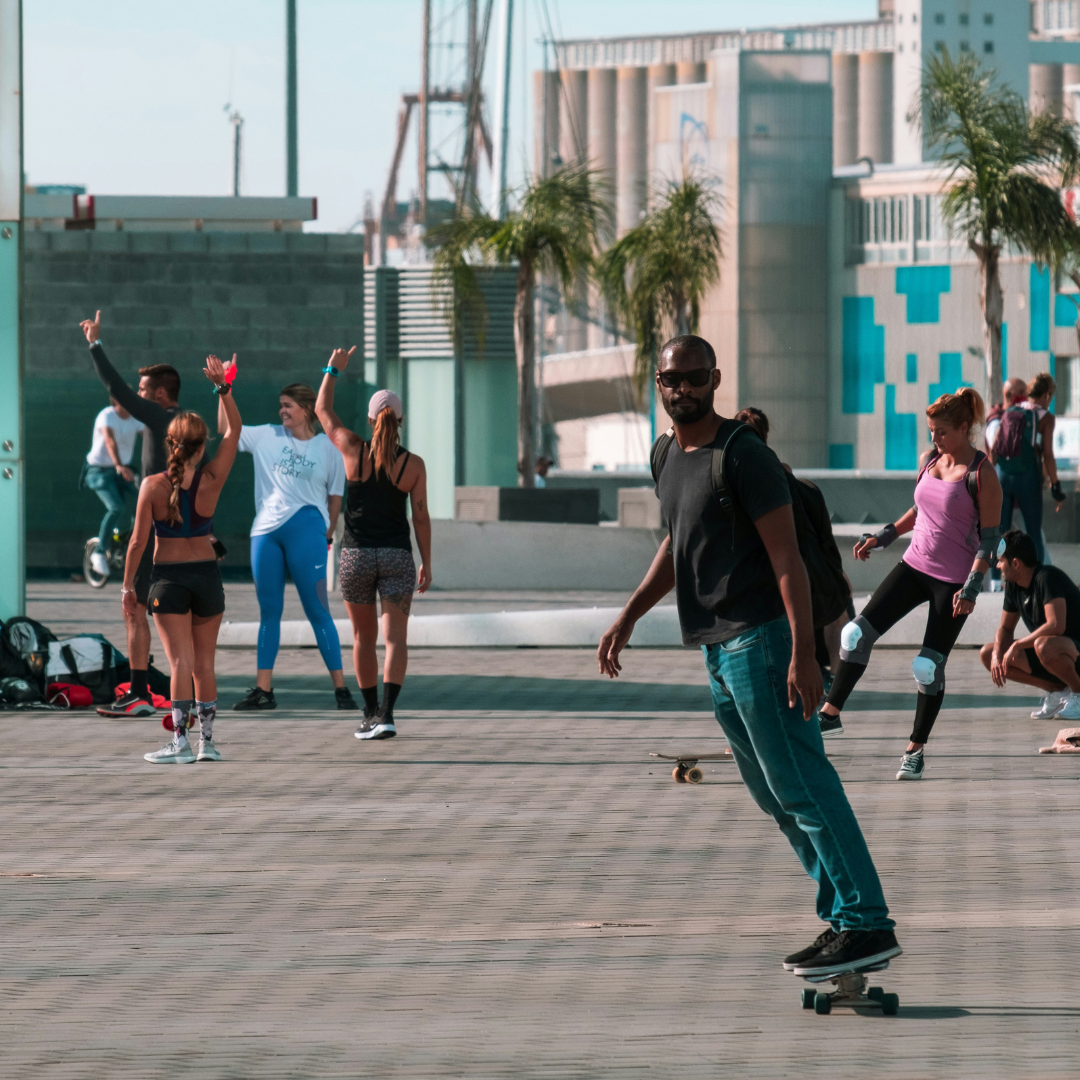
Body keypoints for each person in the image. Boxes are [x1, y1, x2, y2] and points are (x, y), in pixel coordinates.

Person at [598, 335, 900, 978]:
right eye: (671, 379)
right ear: (659, 384)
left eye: (694, 377)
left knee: (803, 785)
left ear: (714, 379)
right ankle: (845, 916)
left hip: (761, 644)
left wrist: (802, 652)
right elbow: (677, 546)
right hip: (716, 649)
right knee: (774, 793)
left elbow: (787, 560)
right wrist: (629, 614)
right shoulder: (667, 457)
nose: (683, 388)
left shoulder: (743, 456)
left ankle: (866, 922)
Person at [817, 388, 1004, 779]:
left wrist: (972, 586)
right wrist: (883, 536)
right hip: (914, 566)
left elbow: (990, 538)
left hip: (953, 582)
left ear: (964, 428)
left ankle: (915, 750)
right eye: (931, 431)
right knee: (854, 635)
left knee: (926, 667)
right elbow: (920, 509)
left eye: (941, 432)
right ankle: (829, 716)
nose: (933, 439)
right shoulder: (930, 461)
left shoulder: (982, 473)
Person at [122, 355, 241, 764]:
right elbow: (235, 431)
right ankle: (207, 742)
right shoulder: (211, 479)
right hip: (208, 577)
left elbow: (138, 542)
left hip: (168, 581)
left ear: (170, 443)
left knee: (179, 663)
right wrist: (222, 388)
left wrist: (126, 587)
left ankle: (181, 744)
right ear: (201, 444)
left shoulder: (152, 487)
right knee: (204, 663)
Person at [316, 348, 433, 740]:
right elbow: (420, 516)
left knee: (363, 639)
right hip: (398, 556)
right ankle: (387, 713)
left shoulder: (352, 447)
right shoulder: (412, 465)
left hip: (356, 557)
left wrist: (334, 369)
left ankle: (369, 714)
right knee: (395, 639)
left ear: (370, 420)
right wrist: (427, 562)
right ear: (401, 421)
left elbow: (321, 411)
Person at [222, 380, 354, 712]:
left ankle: (342, 690)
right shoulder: (266, 435)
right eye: (280, 405)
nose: (282, 411)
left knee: (318, 612)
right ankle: (263, 691)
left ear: (306, 410)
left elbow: (335, 495)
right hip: (265, 533)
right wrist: (223, 389)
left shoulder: (327, 448)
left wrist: (328, 532)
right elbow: (227, 430)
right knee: (270, 613)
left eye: (288, 405)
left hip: (308, 532)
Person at [80, 310, 182, 718]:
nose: (137, 395)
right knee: (167, 618)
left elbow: (114, 387)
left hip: (158, 536)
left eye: (144, 390)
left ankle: (149, 695)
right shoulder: (187, 425)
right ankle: (169, 698)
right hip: (185, 535)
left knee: (138, 611)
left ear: (159, 395)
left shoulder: (159, 419)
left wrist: (94, 343)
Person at [734, 407, 854, 689]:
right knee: (838, 617)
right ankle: (836, 692)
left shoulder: (742, 477)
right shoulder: (790, 478)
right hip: (812, 571)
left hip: (769, 579)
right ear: (766, 435)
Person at [981, 529, 1080, 721]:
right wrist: (996, 656)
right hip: (1054, 654)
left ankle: (1078, 692)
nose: (998, 566)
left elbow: (1055, 626)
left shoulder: (1047, 578)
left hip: (1072, 650)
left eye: (1001, 561)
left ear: (1016, 563)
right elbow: (1006, 628)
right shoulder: (1013, 585)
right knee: (987, 653)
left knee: (1044, 644)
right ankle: (1057, 691)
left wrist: (1017, 645)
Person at [989, 372, 1064, 569]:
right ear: (1047, 394)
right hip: (1027, 477)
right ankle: (1037, 580)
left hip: (1003, 476)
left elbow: (994, 447)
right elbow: (1048, 455)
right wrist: (1055, 486)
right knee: (1033, 533)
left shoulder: (1012, 409)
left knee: (1001, 533)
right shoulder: (1045, 417)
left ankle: (998, 582)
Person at [82, 397, 144, 577]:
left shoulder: (135, 419)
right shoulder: (106, 416)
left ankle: (132, 538)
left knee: (147, 498)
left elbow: (149, 436)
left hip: (123, 471)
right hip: (99, 471)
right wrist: (118, 465)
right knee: (116, 507)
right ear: (116, 400)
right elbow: (110, 441)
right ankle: (99, 553)